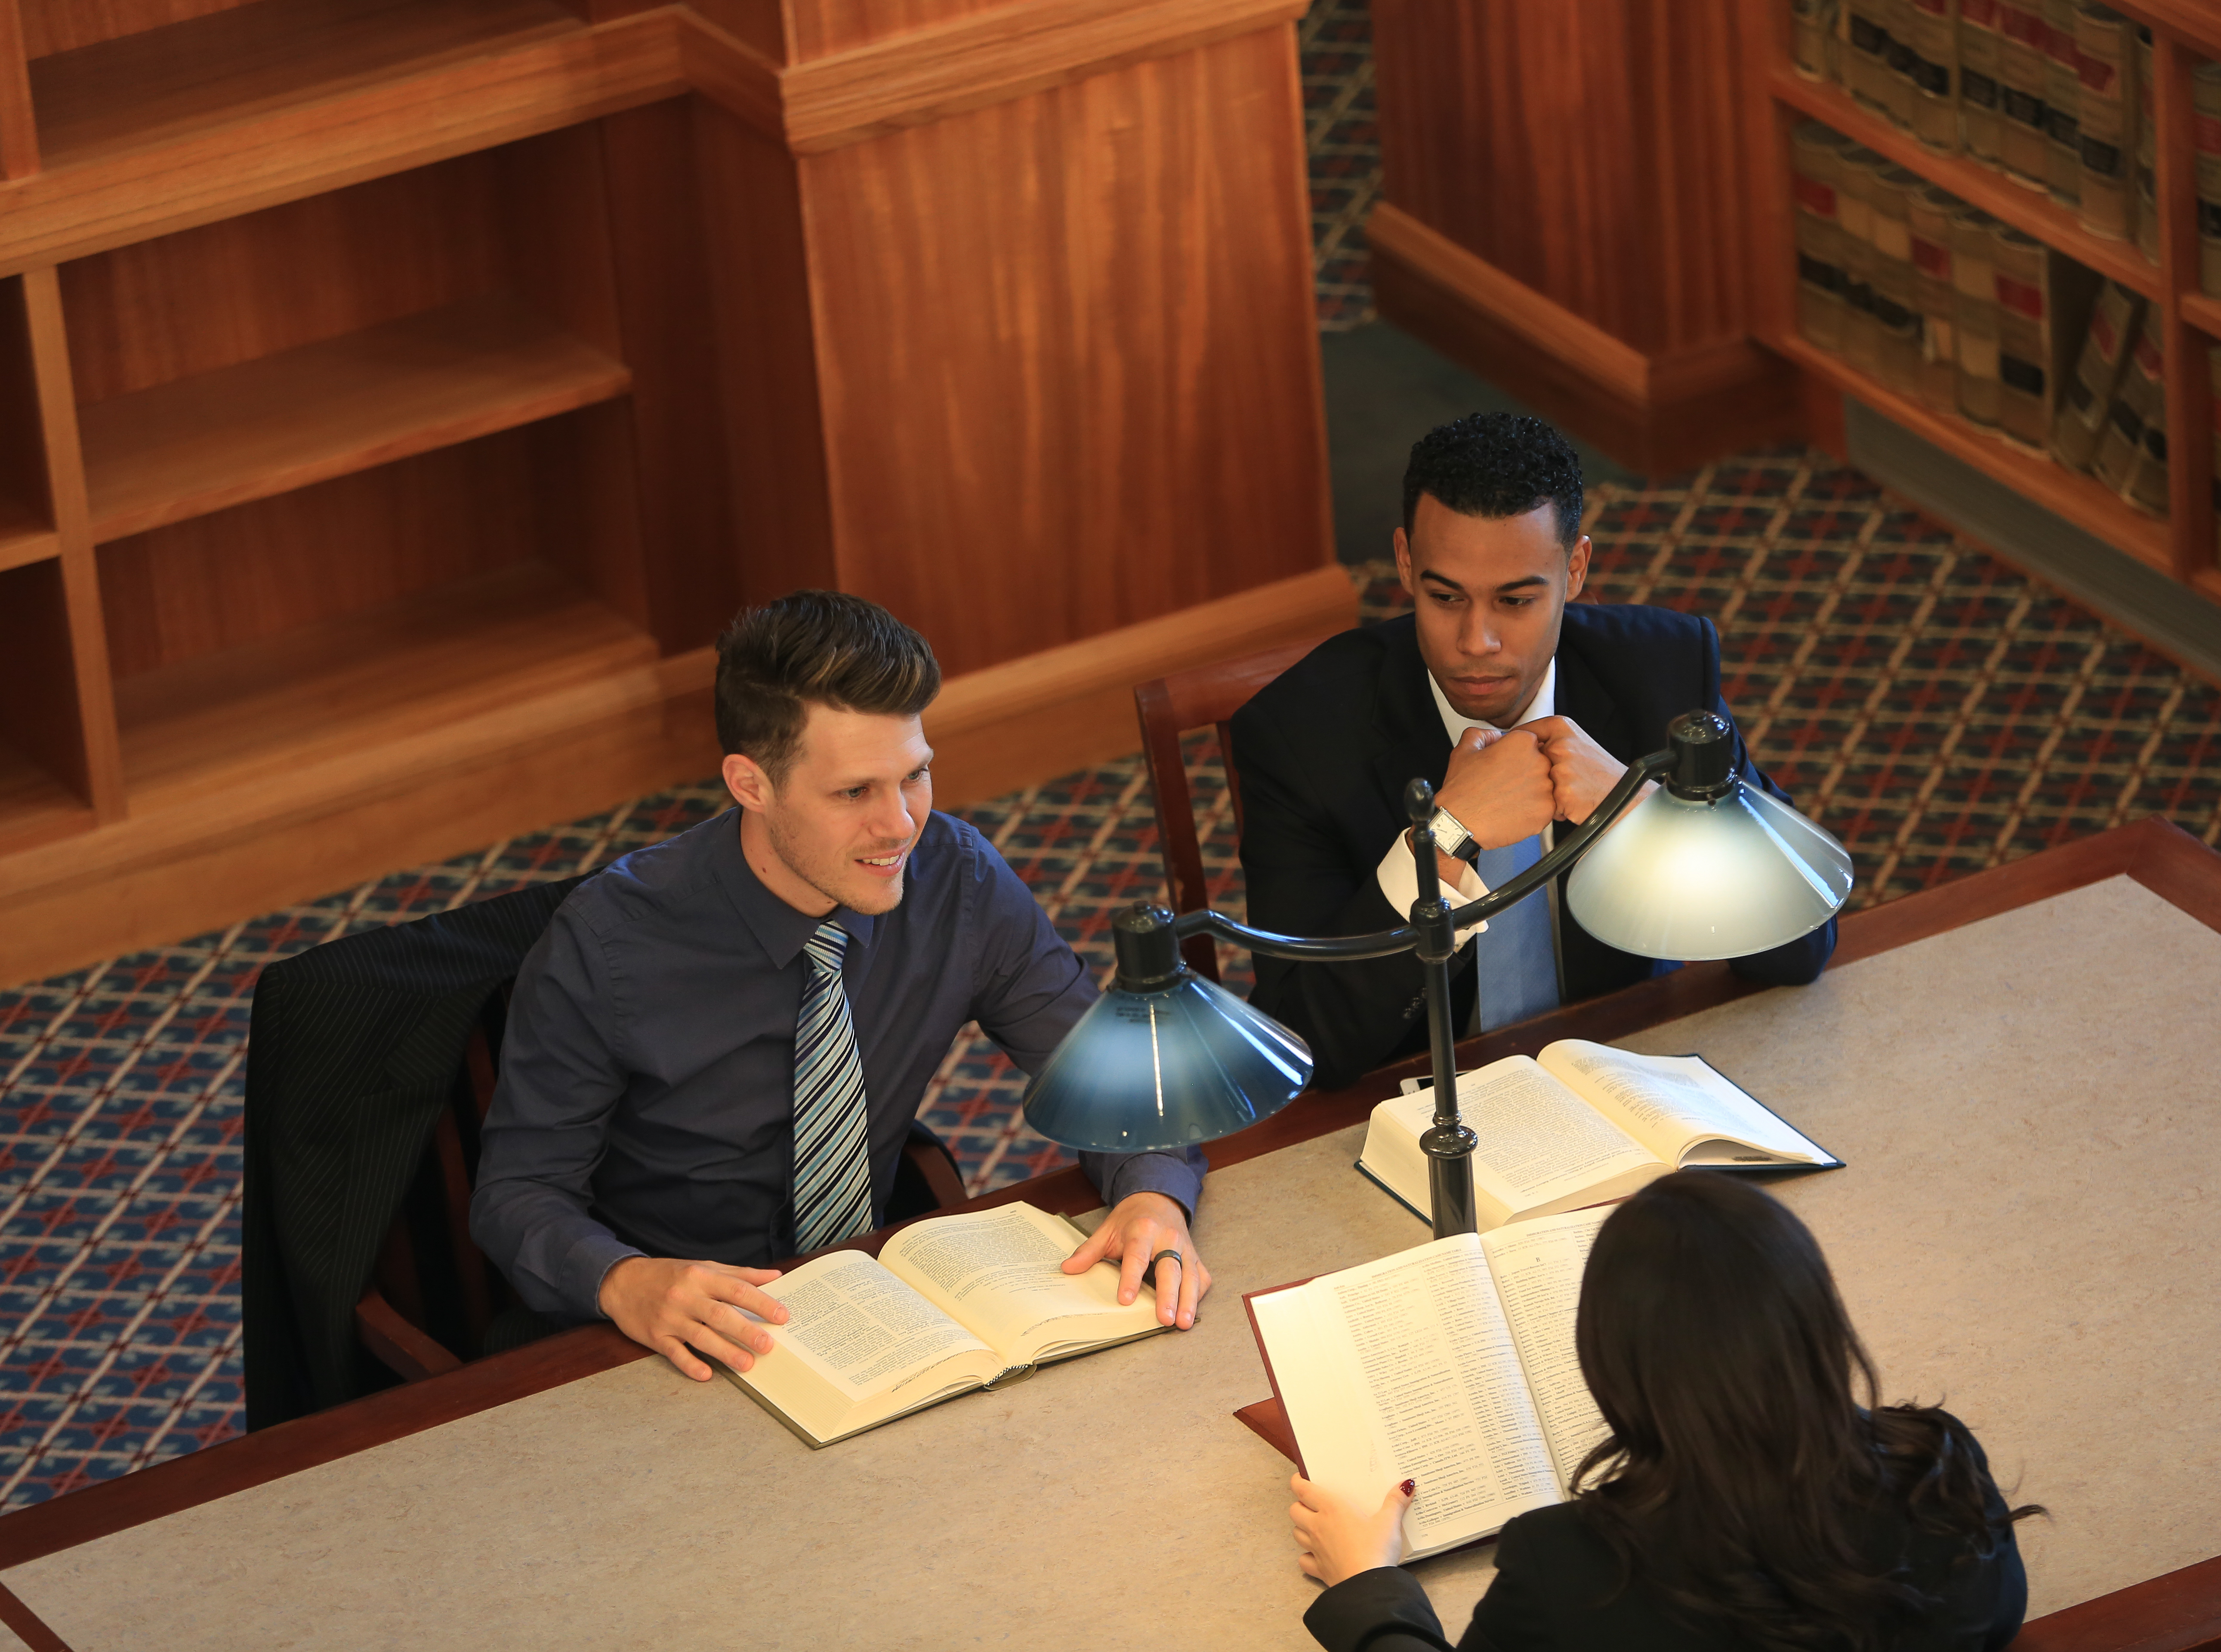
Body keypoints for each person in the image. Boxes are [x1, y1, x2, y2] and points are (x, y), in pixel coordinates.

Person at [470, 591, 1210, 1383]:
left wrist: (1153, 1197)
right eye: (855, 792)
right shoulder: (608, 943)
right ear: (750, 785)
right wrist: (622, 1281)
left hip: (880, 1303)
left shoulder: (956, 879)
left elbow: (1121, 1087)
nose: (901, 825)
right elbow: (519, 1195)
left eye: (915, 776)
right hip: (681, 1336)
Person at [1231, 413, 1835, 1087]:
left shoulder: (1663, 672)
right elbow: (1301, 1047)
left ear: (1575, 569)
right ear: (1404, 561)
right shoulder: (1299, 735)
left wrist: (1643, 812)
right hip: (1426, 1111)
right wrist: (1445, 841)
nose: (1477, 641)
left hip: (1627, 1081)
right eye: (1445, 596)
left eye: (1516, 600)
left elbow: (1801, 948)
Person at [1285, 1172, 2038, 1652]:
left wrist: (1366, 1586)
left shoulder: (1569, 1566)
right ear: (1813, 1321)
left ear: (1614, 1365)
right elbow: (1998, 1621)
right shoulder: (1941, 1470)